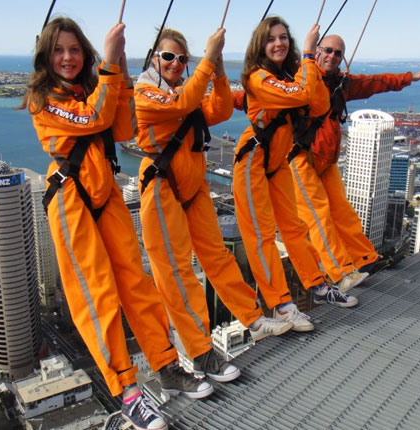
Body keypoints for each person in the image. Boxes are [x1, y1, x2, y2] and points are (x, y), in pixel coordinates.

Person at [23, 17, 209, 430]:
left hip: (104, 192)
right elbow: (91, 120)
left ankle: (166, 365)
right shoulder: (44, 98)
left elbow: (122, 128)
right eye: (59, 50)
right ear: (46, 56)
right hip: (71, 197)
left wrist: (120, 71)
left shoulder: (92, 89)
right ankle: (127, 393)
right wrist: (110, 64)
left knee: (135, 283)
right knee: (97, 297)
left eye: (74, 49)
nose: (68, 57)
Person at [134, 27, 293, 385]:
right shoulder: (144, 92)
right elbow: (180, 106)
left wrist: (218, 70)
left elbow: (219, 109)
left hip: (193, 186)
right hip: (161, 187)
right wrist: (207, 61)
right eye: (168, 57)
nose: (176, 64)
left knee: (217, 257)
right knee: (177, 272)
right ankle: (200, 352)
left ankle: (253, 319)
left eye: (182, 59)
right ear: (153, 59)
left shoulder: (183, 93)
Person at [232, 16, 358, 336]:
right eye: (271, 39)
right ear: (260, 45)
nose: (279, 43)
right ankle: (282, 304)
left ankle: (317, 285)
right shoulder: (258, 76)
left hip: (277, 160)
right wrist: (310, 55)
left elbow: (318, 104)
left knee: (294, 227)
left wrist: (307, 65)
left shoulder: (289, 75)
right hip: (253, 160)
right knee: (261, 236)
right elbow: (301, 96)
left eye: (283, 37)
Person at [289, 34, 420, 287]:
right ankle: (340, 272)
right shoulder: (301, 80)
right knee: (318, 216)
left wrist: (410, 77)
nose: (332, 56)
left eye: (338, 53)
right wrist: (307, 53)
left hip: (326, 159)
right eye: (328, 50)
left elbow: (376, 82)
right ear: (318, 50)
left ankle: (364, 258)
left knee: (343, 212)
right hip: (300, 158)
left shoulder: (341, 85)